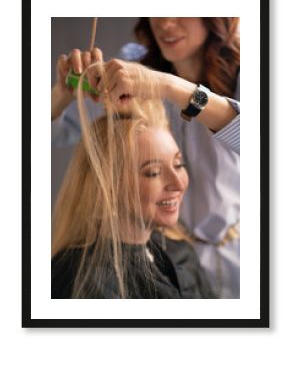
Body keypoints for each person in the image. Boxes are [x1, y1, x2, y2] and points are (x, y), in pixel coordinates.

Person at [51, 17, 240, 298]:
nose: (165, 22)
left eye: (179, 164)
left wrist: (167, 87)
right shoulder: (132, 65)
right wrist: (63, 95)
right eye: (152, 171)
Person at [52, 85, 215, 299]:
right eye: (153, 172)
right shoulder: (80, 281)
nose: (178, 183)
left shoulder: (182, 253)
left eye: (178, 164)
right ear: (108, 187)